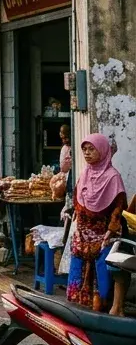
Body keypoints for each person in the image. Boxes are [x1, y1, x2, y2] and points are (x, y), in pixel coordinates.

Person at [67, 133, 126, 312]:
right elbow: (78, 201)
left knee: (101, 272)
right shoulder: (84, 174)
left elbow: (119, 207)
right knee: (78, 269)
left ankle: (99, 307)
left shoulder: (113, 177)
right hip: (82, 234)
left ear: (102, 150)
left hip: (102, 236)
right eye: (84, 149)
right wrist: (76, 225)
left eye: (91, 149)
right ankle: (77, 308)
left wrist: (111, 231)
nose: (87, 153)